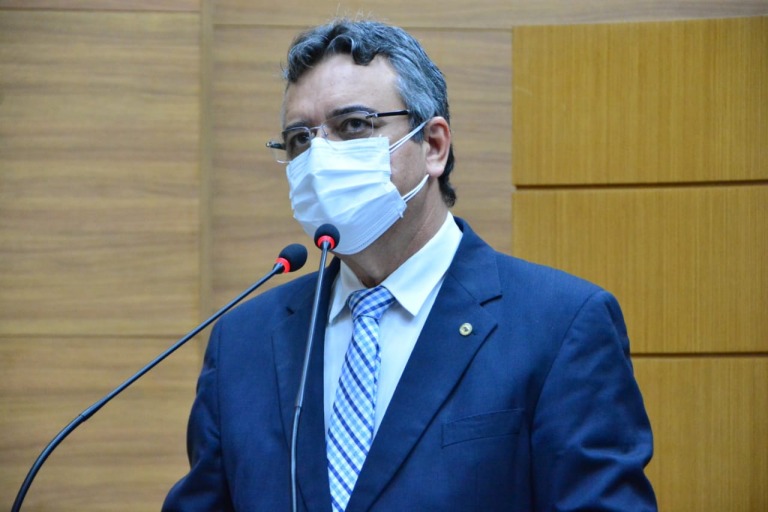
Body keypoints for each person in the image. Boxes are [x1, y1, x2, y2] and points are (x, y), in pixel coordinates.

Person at [163, 18, 657, 512]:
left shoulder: (561, 325)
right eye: (299, 140)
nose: (319, 159)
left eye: (353, 126)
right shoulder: (243, 342)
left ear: (434, 146)